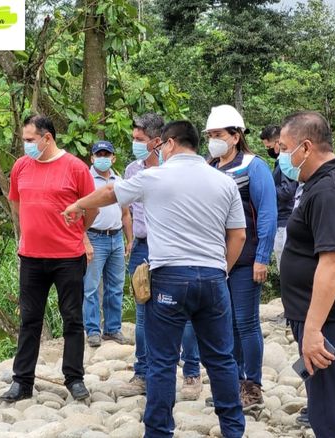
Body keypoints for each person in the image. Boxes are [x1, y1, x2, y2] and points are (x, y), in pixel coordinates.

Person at [63, 120, 247, 438]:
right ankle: (233, 430)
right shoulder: (223, 182)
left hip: (169, 278)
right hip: (213, 278)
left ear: (170, 143)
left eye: (159, 145)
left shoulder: (153, 177)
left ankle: (159, 432)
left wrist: (79, 205)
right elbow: (239, 235)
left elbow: (110, 192)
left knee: (162, 362)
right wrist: (222, 270)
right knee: (221, 359)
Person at [278, 111, 335, 437]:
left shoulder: (327, 191)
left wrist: (313, 329)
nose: (281, 156)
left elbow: (332, 262)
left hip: (331, 319)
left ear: (305, 147)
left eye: (284, 148)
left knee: (329, 415)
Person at [0, 115, 98, 403]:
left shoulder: (76, 168)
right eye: (24, 140)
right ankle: (22, 382)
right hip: (31, 257)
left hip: (68, 256)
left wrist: (78, 232)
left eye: (30, 140)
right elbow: (16, 202)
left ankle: (74, 378)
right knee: (30, 320)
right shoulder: (21, 166)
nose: (26, 145)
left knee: (72, 319)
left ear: (47, 138)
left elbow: (92, 207)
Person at [118, 113, 202, 401]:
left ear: (158, 141)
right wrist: (130, 239)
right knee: (142, 314)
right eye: (133, 138)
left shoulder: (175, 169)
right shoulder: (132, 170)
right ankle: (142, 373)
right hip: (142, 247)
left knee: (185, 312)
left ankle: (191, 372)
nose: (135, 144)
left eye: (139, 139)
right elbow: (126, 208)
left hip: (175, 249)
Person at [204, 104, 277, 408]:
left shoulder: (253, 166)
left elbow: (267, 214)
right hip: (216, 260)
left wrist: (262, 257)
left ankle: (252, 386)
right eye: (210, 135)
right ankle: (232, 383)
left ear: (236, 136)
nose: (213, 140)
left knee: (246, 323)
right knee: (226, 325)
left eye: (218, 134)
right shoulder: (208, 167)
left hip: (246, 260)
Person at [83, 140, 133, 348]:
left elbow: (125, 213)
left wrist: (129, 239)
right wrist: (84, 240)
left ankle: (112, 329)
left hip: (116, 238)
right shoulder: (85, 179)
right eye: (99, 155)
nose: (102, 158)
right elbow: (79, 214)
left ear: (113, 158)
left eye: (106, 154)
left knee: (115, 286)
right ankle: (93, 330)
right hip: (94, 237)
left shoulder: (119, 181)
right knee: (91, 287)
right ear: (92, 158)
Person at [260, 125, 298, 268]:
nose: (268, 150)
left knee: (285, 267)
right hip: (282, 220)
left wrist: (267, 188)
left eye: (269, 146)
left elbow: (287, 191)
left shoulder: (285, 163)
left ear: (278, 143)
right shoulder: (280, 163)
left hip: (285, 221)